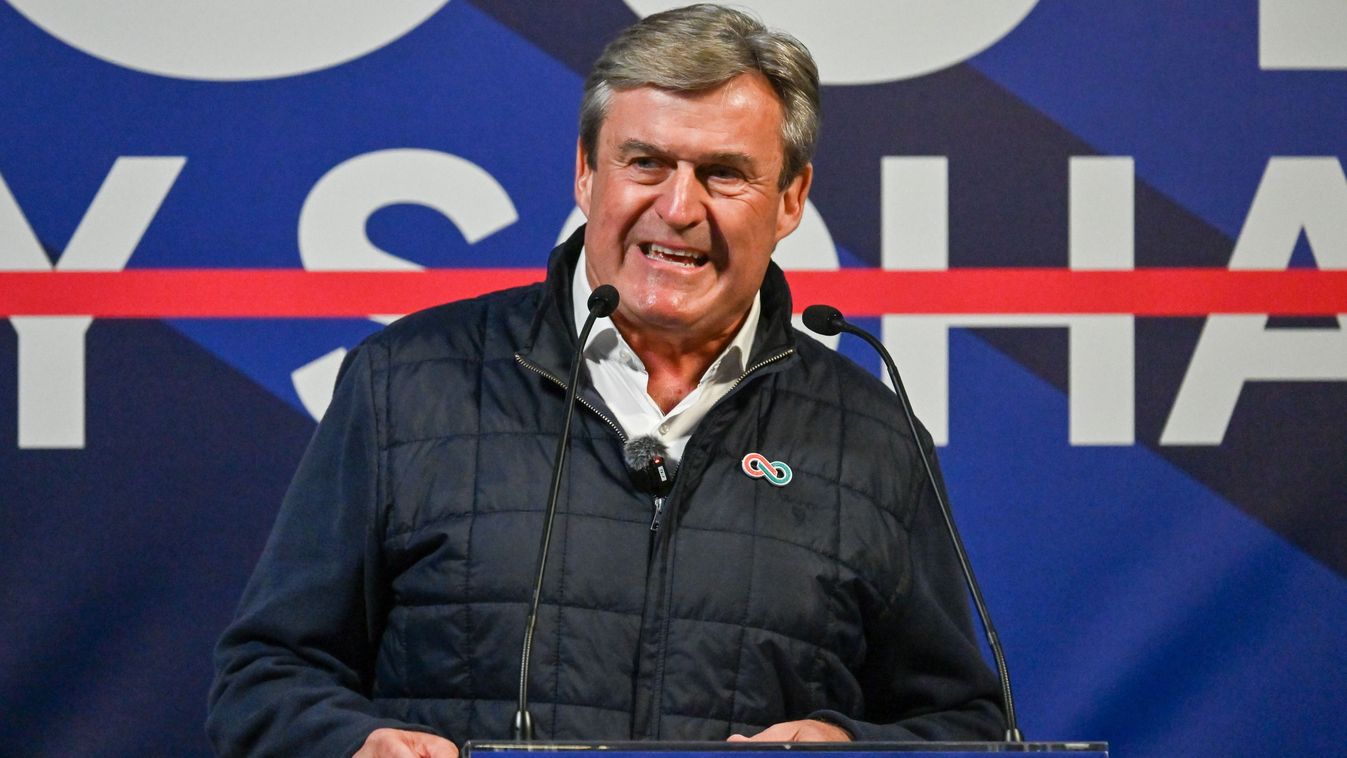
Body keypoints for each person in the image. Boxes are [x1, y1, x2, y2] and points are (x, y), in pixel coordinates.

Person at [207, 4, 1004, 756]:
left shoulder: (873, 436)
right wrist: (352, 741)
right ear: (587, 173)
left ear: (790, 198)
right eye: (645, 163)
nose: (678, 208)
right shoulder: (405, 381)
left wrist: (850, 746)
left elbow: (963, 724)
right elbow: (264, 676)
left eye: (723, 173)